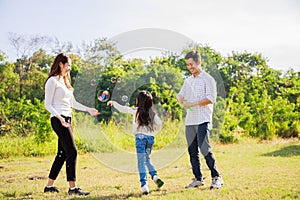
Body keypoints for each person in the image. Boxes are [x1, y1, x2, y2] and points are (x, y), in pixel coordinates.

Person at [44, 53, 99, 195]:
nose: (70, 68)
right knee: (72, 151)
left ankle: (49, 186)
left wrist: (88, 110)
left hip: (67, 119)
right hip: (58, 119)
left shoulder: (65, 82)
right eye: (68, 64)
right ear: (61, 64)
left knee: (62, 154)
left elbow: (72, 103)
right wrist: (60, 118)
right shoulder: (52, 81)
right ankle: (73, 188)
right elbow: (48, 105)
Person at [176, 50, 224, 189]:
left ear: (198, 62)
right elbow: (181, 94)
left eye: (191, 64)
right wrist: (179, 98)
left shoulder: (208, 79)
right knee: (192, 151)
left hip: (203, 119)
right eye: (187, 65)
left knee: (204, 148)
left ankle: (217, 177)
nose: (189, 67)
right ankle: (198, 179)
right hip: (190, 121)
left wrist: (192, 103)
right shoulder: (188, 81)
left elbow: (210, 99)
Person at [107, 91, 164, 195]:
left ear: (139, 101)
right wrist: (154, 129)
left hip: (140, 139)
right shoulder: (153, 113)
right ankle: (155, 176)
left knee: (141, 162)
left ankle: (144, 185)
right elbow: (159, 124)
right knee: (147, 159)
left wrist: (114, 103)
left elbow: (123, 109)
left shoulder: (136, 111)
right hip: (150, 138)